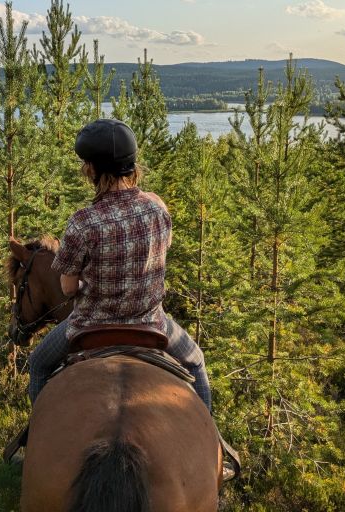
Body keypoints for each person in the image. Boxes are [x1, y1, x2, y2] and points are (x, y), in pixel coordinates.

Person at [27, 118, 212, 411]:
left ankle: (31, 441)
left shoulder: (82, 222)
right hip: (152, 324)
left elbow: (67, 288)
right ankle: (214, 447)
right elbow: (163, 250)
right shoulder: (157, 207)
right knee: (197, 363)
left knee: (36, 364)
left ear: (90, 169)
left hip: (90, 326)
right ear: (132, 164)